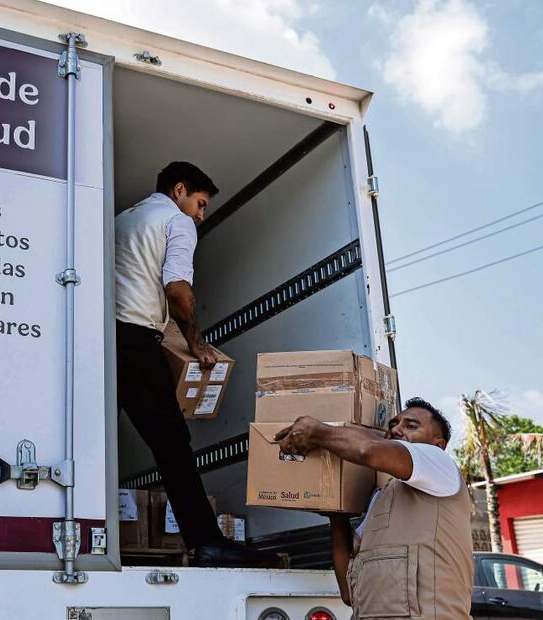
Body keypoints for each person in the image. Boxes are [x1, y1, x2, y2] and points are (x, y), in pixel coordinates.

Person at [115, 162, 267, 566]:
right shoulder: (176, 222)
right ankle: (208, 542)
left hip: (97, 340)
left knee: (96, 440)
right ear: (180, 190)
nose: (201, 215)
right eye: (200, 204)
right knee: (173, 446)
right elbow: (178, 290)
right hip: (133, 340)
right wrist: (195, 343)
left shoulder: (119, 219)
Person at [277, 397, 472, 619]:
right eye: (393, 424)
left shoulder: (440, 465)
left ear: (438, 445)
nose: (397, 429)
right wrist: (337, 516)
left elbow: (367, 450)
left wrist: (317, 432)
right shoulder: (381, 497)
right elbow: (349, 593)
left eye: (411, 426)